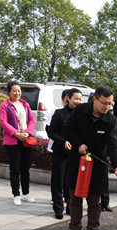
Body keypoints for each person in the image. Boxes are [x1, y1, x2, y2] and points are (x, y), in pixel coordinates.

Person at [60, 85, 117, 230]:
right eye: (104, 103)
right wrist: (78, 144)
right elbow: (66, 130)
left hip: (98, 164)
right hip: (78, 161)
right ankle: (74, 229)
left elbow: (113, 144)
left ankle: (93, 229)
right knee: (74, 197)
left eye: (110, 104)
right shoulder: (80, 111)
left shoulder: (111, 120)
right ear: (95, 99)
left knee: (95, 200)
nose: (107, 107)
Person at [0, 80, 37, 206]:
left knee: (25, 168)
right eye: (14, 90)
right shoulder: (5, 105)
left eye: (19, 90)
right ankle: (16, 194)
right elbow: (3, 122)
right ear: (9, 92)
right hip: (13, 141)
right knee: (15, 169)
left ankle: (26, 193)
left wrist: (28, 132)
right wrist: (16, 133)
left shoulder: (25, 105)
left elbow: (31, 120)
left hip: (25, 140)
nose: (17, 93)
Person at [48, 88, 82, 219]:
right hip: (60, 152)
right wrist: (63, 142)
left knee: (71, 182)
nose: (78, 101)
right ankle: (58, 208)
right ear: (68, 99)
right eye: (75, 99)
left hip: (75, 154)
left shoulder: (81, 116)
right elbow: (51, 132)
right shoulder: (59, 113)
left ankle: (70, 206)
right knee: (58, 181)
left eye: (80, 99)